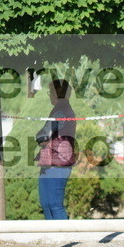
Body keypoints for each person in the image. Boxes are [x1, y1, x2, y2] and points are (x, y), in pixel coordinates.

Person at [35, 79, 77, 219]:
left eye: (50, 92)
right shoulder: (59, 110)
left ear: (56, 93)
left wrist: (40, 137)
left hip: (58, 162)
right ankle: (53, 238)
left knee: (54, 205)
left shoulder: (61, 112)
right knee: (47, 204)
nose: (49, 95)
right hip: (50, 161)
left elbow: (42, 135)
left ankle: (65, 238)